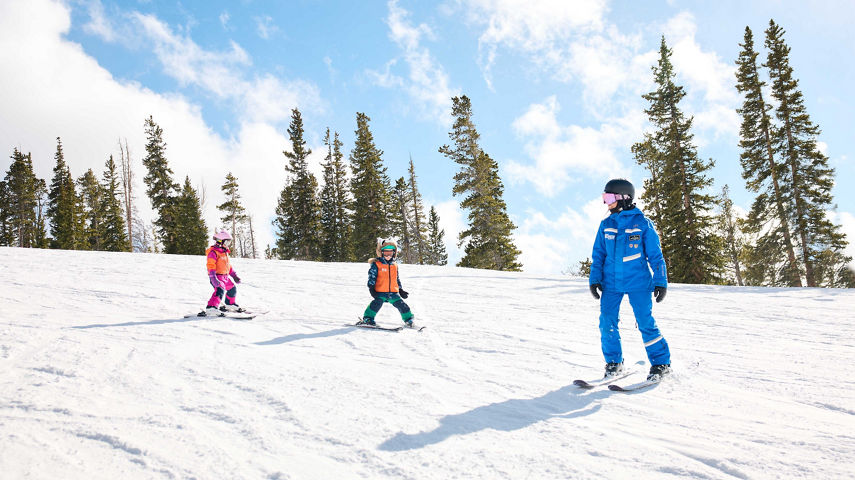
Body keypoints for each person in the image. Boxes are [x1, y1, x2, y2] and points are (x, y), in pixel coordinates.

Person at [588, 179, 671, 381]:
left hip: (638, 282)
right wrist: (595, 278)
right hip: (611, 284)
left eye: (609, 198)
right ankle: (614, 362)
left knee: (644, 321)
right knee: (606, 322)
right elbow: (598, 255)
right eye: (604, 198)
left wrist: (660, 281)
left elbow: (656, 256)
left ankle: (661, 363)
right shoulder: (606, 225)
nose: (606, 203)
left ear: (624, 198)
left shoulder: (642, 224)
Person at [358, 239, 415, 328]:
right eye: (386, 253)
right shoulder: (377, 264)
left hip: (393, 292)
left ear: (394, 253)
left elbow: (396, 279)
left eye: (390, 253)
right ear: (381, 252)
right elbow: (372, 277)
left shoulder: (394, 265)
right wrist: (371, 288)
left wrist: (400, 290)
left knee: (402, 305)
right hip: (380, 292)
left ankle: (409, 320)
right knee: (376, 304)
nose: (388, 255)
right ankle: (368, 319)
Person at [199, 230, 244, 316]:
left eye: (229, 242)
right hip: (217, 277)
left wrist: (234, 276)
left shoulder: (224, 253)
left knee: (232, 289)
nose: (228, 244)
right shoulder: (213, 252)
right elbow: (210, 265)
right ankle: (211, 307)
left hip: (225, 277)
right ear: (220, 241)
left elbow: (228, 266)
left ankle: (230, 304)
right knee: (219, 290)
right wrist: (213, 278)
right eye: (227, 242)